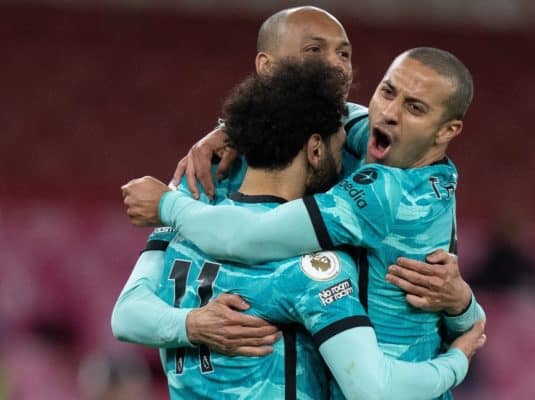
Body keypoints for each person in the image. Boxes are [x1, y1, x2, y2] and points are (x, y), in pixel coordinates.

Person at [116, 5, 476, 363]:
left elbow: (247, 238)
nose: (336, 66)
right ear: (266, 67)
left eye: (345, 54)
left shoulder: (390, 176)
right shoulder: (213, 170)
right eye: (315, 51)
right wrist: (190, 324)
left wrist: (464, 307)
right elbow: (128, 313)